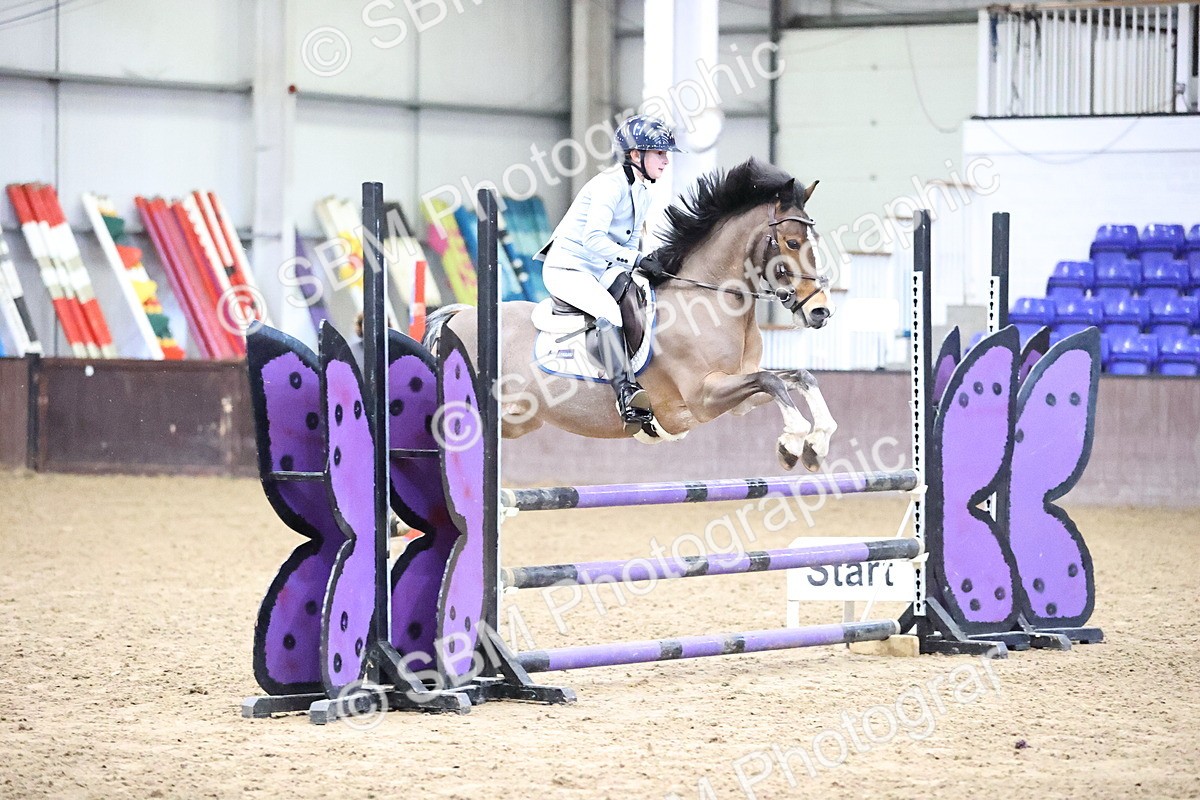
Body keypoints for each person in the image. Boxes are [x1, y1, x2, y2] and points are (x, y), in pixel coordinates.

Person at [537, 114, 683, 432]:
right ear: (635, 155)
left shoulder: (643, 192)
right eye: (660, 153)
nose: (666, 161)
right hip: (568, 267)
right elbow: (593, 239)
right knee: (608, 310)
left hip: (599, 266)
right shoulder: (609, 185)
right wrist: (637, 259)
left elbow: (628, 242)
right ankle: (625, 393)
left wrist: (642, 266)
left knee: (642, 295)